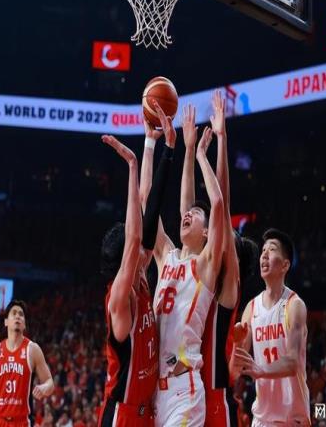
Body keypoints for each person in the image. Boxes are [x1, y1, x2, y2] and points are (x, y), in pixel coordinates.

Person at [151, 101, 225, 427]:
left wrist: (200, 156)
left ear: (206, 233)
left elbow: (217, 204)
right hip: (154, 389)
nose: (187, 215)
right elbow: (149, 204)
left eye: (195, 216)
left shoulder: (206, 264)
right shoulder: (167, 254)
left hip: (184, 388)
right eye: (187, 214)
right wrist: (168, 146)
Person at [98, 126, 175, 426]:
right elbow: (133, 239)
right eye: (135, 251)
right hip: (123, 413)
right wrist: (132, 165)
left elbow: (148, 209)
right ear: (125, 262)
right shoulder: (119, 297)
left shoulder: (141, 277)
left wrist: (151, 145)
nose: (144, 250)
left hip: (148, 412)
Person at [180, 92, 242, 426]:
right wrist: (188, 151)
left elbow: (223, 207)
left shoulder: (226, 284)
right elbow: (187, 210)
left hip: (216, 400)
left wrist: (221, 140)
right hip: (185, 393)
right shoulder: (194, 271)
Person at [230, 229, 310, 426]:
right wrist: (236, 344)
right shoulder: (251, 308)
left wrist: (260, 369)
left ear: (285, 265)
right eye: (263, 250)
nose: (264, 254)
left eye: (272, 249)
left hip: (292, 419)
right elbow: (234, 371)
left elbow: (292, 362)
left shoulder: (294, 305)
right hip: (262, 419)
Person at [0, 300, 54, 427]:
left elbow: (50, 383)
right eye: (14, 313)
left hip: (22, 422)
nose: (18, 316)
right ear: (6, 322)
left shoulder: (33, 350)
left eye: (21, 314)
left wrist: (44, 387)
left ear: (24, 325)